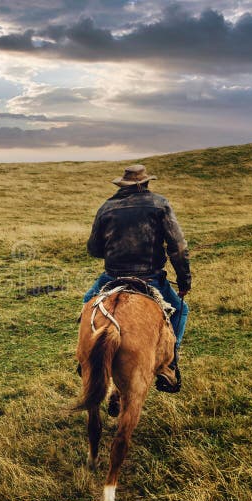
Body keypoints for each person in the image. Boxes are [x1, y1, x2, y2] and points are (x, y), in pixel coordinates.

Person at [83, 164, 191, 393]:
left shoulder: (107, 207)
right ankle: (170, 362)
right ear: (145, 183)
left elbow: (94, 249)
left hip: (112, 276)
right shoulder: (160, 204)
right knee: (181, 310)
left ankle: (84, 357)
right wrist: (184, 281)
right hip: (150, 277)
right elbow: (178, 247)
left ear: (124, 185)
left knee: (87, 302)